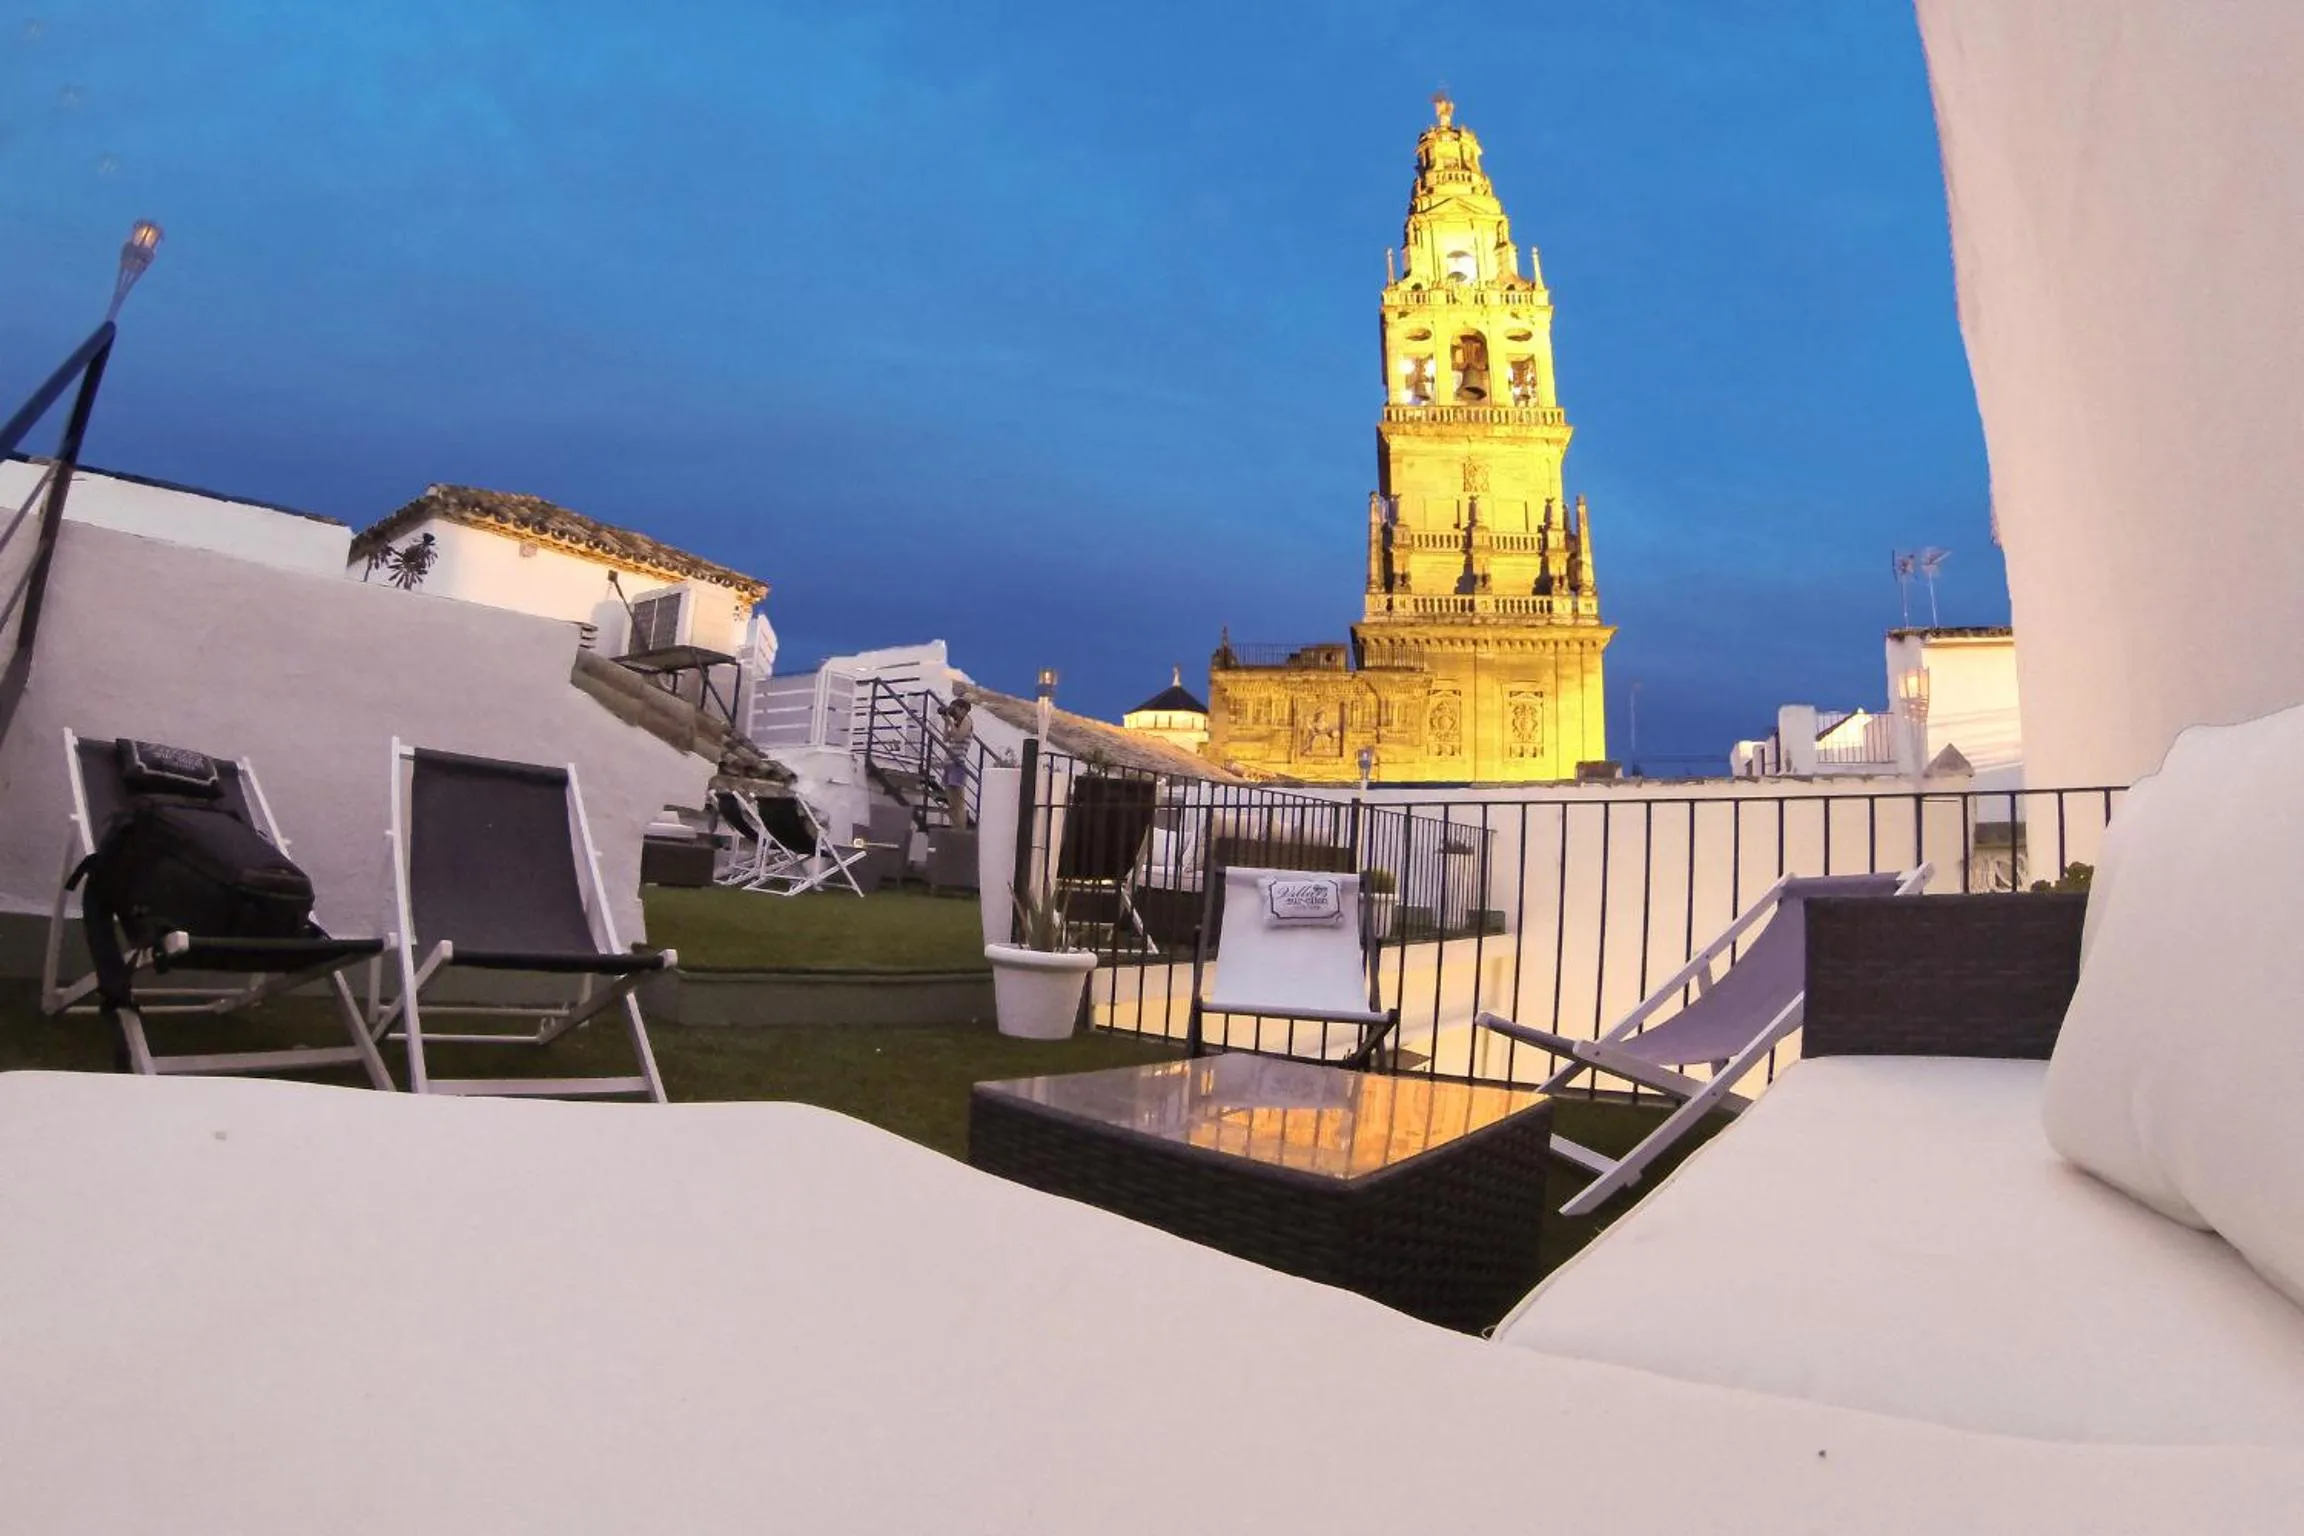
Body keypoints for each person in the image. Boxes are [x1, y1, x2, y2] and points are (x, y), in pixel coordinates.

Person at [939, 697, 975, 828]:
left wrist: (951, 722)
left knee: (958, 802)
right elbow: (945, 738)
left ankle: (960, 832)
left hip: (958, 764)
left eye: (955, 709)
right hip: (949, 764)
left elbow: (959, 736)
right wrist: (946, 722)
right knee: (951, 802)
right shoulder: (956, 722)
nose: (953, 711)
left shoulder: (967, 720)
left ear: (963, 709)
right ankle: (955, 829)